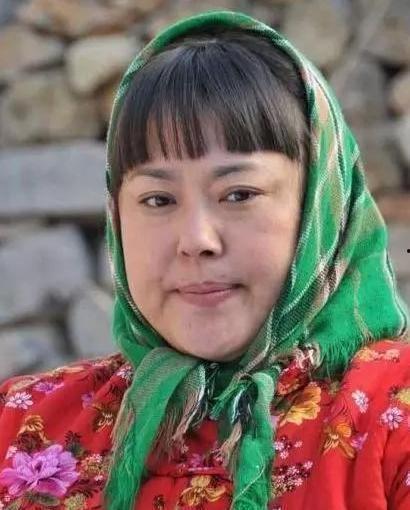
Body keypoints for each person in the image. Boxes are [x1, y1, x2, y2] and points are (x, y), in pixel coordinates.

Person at [0, 9, 409, 510]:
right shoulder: (22, 428)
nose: (196, 240)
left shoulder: (392, 420)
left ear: (320, 208)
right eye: (158, 200)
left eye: (239, 194)